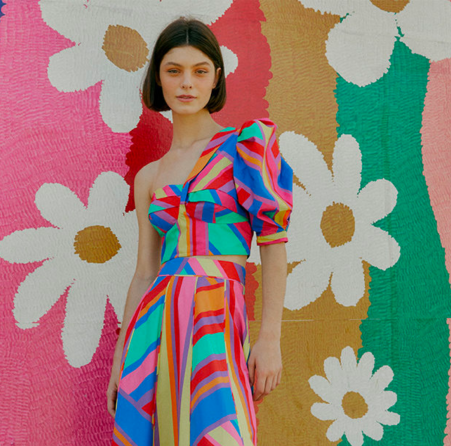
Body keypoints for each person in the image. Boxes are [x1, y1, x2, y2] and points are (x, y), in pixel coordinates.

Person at [107, 16, 293, 446]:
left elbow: (273, 247)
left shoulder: (246, 147)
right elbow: (144, 273)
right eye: (173, 70)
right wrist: (121, 357)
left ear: (216, 79)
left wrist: (270, 339)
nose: (186, 83)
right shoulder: (148, 176)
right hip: (155, 327)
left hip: (218, 321)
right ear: (158, 79)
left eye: (199, 71)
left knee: (222, 434)